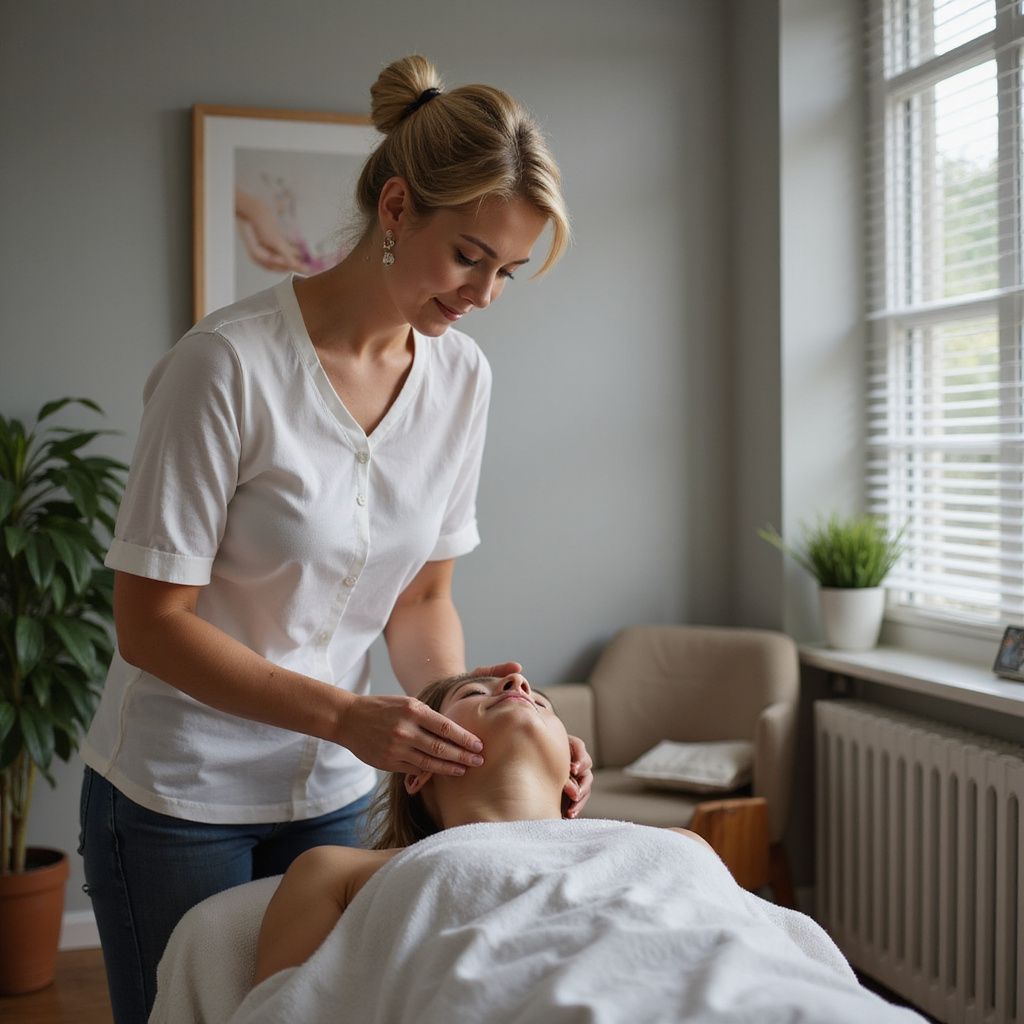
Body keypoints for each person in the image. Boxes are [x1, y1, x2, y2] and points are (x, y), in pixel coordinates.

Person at [78, 54, 592, 1024]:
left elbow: (421, 598)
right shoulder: (224, 367)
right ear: (396, 209)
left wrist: (476, 727)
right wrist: (343, 715)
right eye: (469, 256)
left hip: (337, 786)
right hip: (182, 794)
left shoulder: (461, 380)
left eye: (507, 271)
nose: (483, 293)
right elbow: (150, 625)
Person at [230, 671, 926, 1024]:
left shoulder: (669, 843)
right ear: (417, 765)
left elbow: (776, 941)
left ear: (572, 770)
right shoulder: (345, 869)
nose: (517, 684)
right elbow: (278, 1011)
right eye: (478, 691)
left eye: (538, 698)